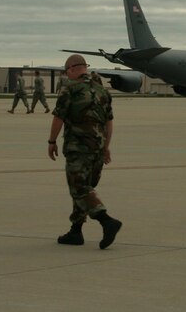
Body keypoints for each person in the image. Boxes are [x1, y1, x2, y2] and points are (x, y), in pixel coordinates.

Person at [48, 54, 122, 250]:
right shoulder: (102, 91)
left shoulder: (70, 89)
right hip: (98, 148)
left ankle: (107, 221)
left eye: (66, 72)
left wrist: (51, 141)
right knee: (85, 189)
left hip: (78, 147)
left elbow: (58, 117)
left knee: (79, 187)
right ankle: (76, 230)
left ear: (72, 69)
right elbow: (109, 122)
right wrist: (106, 146)